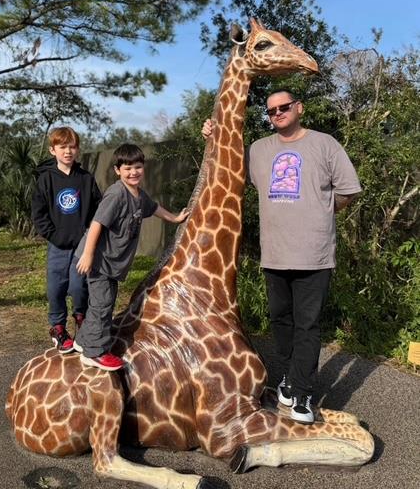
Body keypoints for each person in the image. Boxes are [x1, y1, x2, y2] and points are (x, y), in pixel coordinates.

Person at [202, 89, 361, 424]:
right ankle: (290, 376)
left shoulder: (325, 144)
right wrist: (213, 137)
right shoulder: (259, 150)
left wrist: (322, 210)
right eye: (271, 111)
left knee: (307, 325)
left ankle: (302, 394)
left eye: (283, 107)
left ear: (298, 107)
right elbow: (227, 164)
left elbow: (347, 191)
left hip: (313, 254)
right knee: (280, 321)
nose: (277, 114)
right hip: (274, 253)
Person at [73, 143, 189, 371]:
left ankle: (83, 340)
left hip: (112, 263)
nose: (133, 172)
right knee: (102, 304)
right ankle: (94, 352)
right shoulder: (116, 194)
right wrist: (87, 254)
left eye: (137, 167)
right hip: (99, 260)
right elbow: (97, 224)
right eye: (127, 168)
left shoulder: (139, 195)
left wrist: (175, 218)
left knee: (104, 302)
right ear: (117, 170)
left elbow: (154, 208)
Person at [31, 126, 101, 353]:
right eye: (62, 147)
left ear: (77, 149)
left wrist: (89, 235)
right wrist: (55, 235)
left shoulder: (86, 179)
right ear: (53, 150)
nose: (68, 151)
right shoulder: (45, 179)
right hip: (57, 246)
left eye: (72, 147)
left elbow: (98, 211)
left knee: (79, 286)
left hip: (82, 246)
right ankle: (58, 328)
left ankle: (82, 321)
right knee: (56, 287)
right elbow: (39, 214)